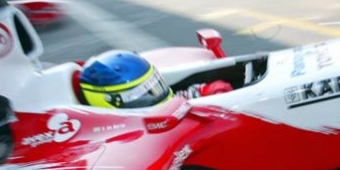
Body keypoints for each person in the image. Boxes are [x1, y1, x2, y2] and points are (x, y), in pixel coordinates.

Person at [76, 50, 232, 109]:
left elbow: (191, 93)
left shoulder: (169, 100)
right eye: (142, 94)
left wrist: (216, 91)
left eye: (154, 86)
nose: (154, 95)